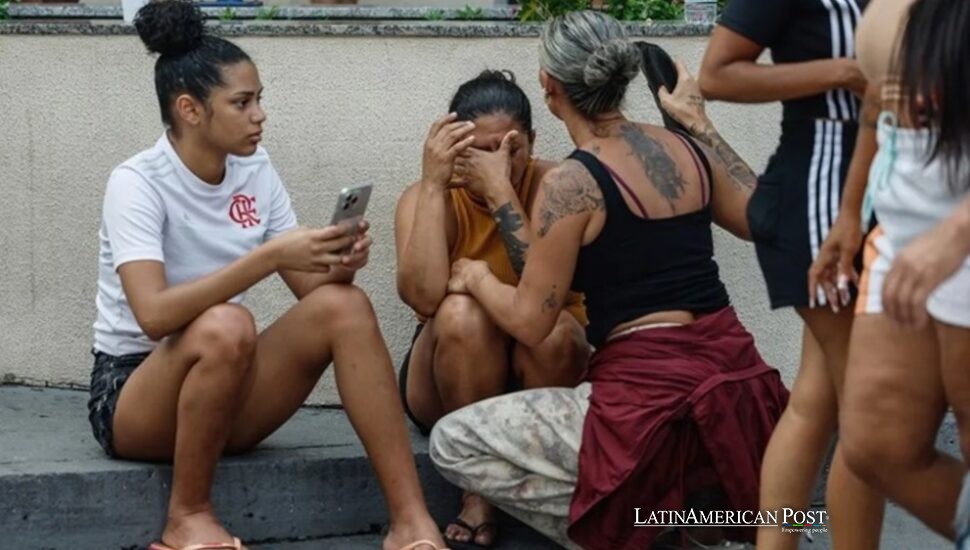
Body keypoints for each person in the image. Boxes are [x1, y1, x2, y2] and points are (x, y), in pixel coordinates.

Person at [87, 2, 445, 549]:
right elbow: (154, 314)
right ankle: (187, 516)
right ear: (190, 109)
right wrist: (269, 256)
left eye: (259, 100)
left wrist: (336, 262)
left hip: (229, 387)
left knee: (345, 308)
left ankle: (410, 522)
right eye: (242, 102)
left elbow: (311, 295)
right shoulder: (137, 182)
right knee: (227, 325)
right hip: (135, 394)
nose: (259, 115)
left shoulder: (254, 168)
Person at [427, 11, 789, 550]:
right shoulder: (688, 150)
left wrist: (477, 271)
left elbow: (531, 319)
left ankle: (634, 533)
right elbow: (766, 219)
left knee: (451, 443)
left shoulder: (573, 182)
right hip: (739, 383)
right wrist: (698, 121)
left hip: (644, 399)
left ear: (549, 88)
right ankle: (688, 527)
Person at [698, 0, 887, 547]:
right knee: (867, 417)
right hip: (821, 206)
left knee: (816, 403)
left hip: (870, 202)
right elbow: (716, 74)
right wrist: (845, 72)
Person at [394, 70, 590, 549]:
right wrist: (435, 185)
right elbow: (422, 298)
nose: (493, 162)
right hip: (449, 375)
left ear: (533, 141)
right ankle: (477, 488)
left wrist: (502, 192)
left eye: (509, 148)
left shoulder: (558, 186)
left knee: (556, 329)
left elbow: (545, 296)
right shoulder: (430, 195)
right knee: (462, 313)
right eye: (477, 150)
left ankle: (535, 478)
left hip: (537, 363)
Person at [816, 0, 970, 543]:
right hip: (904, 221)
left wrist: (957, 232)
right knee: (877, 444)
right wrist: (851, 214)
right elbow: (878, 104)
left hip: (962, 221)